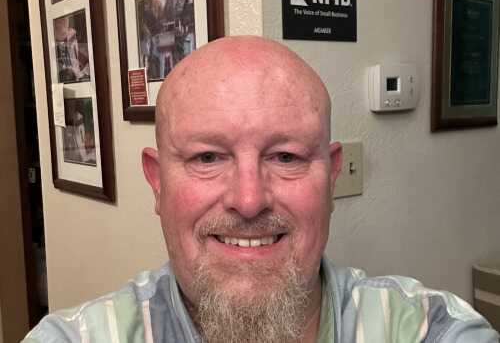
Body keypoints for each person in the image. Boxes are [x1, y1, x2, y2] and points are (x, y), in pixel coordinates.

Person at [23, 37, 499, 342]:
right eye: (207, 158)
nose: (249, 200)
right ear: (157, 182)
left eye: (286, 157)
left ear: (331, 178)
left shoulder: (428, 329)